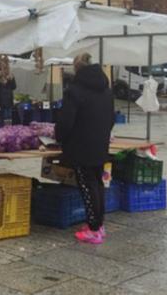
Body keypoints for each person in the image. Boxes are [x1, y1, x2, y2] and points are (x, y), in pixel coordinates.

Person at [55, 53, 115, 245]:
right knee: (97, 184)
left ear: (76, 68)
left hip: (81, 146)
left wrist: (60, 138)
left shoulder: (75, 90)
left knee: (87, 187)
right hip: (100, 144)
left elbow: (66, 121)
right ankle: (99, 224)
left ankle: (94, 229)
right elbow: (112, 118)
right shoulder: (106, 90)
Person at [0, 55, 16, 127]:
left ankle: (7, 131)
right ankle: (3, 131)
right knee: (2, 118)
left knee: (8, 117)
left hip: (8, 102)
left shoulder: (10, 77)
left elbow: (14, 87)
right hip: (1, 103)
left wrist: (12, 79)